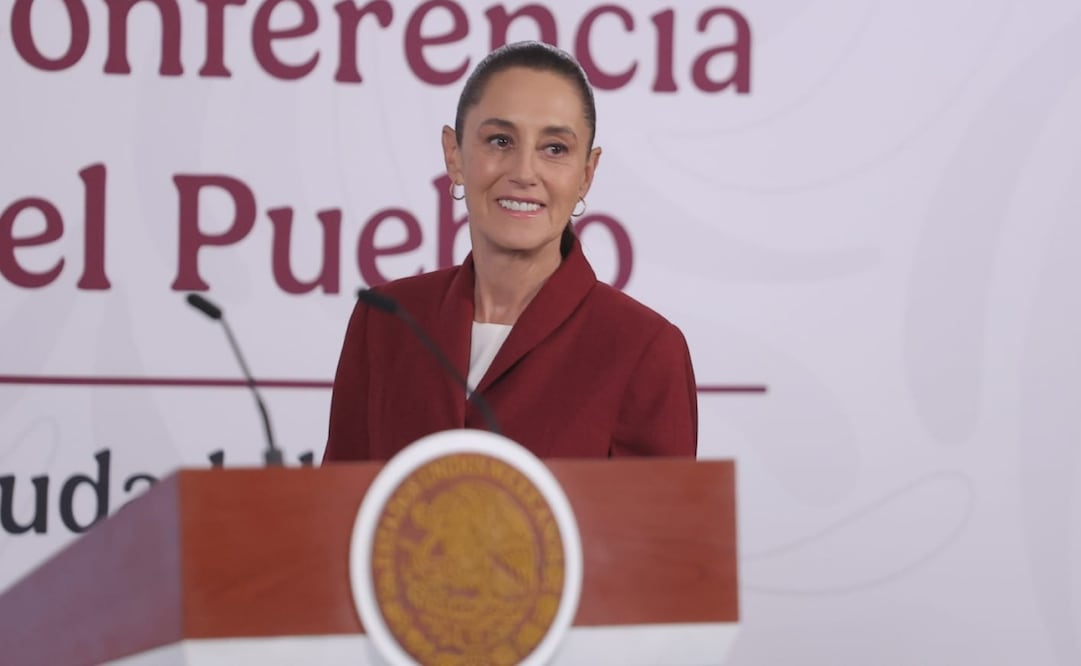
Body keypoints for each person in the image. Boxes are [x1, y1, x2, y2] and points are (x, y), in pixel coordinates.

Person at [323, 41, 697, 462]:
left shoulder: (643, 348)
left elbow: (657, 528)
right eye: (500, 140)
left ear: (586, 175)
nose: (523, 172)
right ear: (454, 155)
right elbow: (342, 515)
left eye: (554, 148)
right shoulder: (387, 321)